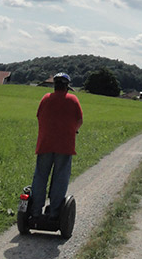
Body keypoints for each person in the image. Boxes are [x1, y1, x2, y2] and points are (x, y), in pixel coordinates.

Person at [30, 72, 83, 220]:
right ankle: (54, 212)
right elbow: (79, 120)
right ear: (67, 86)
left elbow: (39, 116)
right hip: (65, 146)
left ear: (54, 86)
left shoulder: (46, 98)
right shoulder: (73, 100)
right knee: (60, 178)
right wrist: (74, 130)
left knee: (40, 176)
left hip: (45, 143)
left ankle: (35, 212)